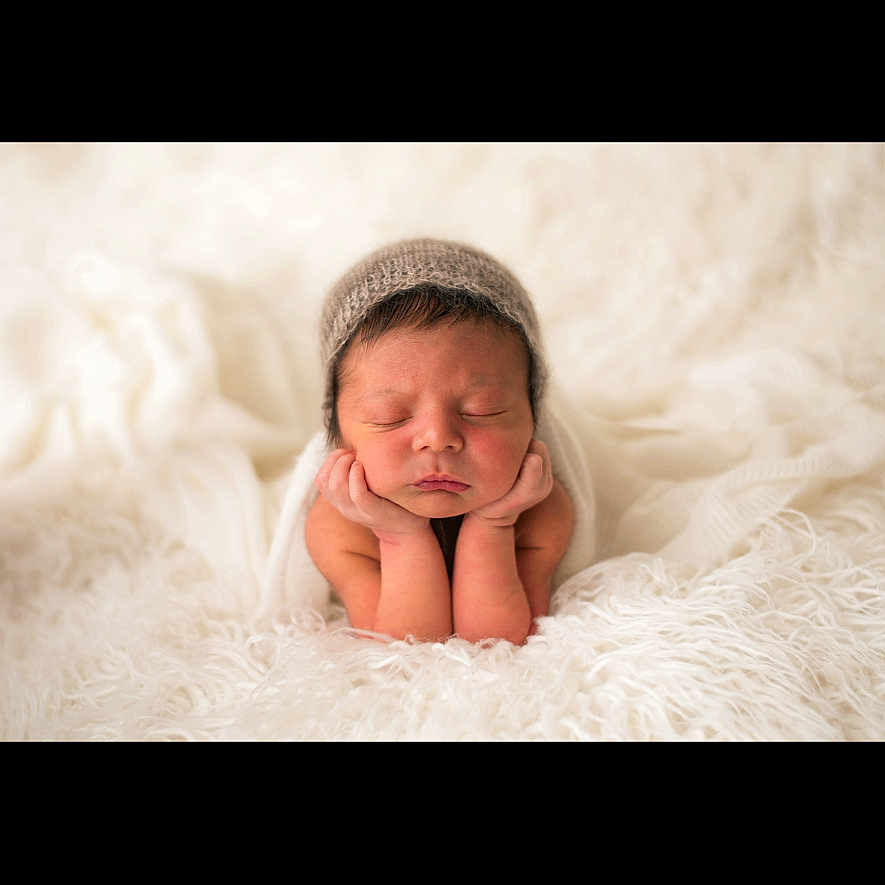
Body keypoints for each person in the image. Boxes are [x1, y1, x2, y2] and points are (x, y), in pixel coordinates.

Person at [305, 238, 574, 644]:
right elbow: (403, 649)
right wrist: (399, 535)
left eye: (483, 410)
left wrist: (494, 523)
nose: (438, 439)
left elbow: (495, 643)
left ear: (532, 421)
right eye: (390, 416)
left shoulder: (540, 508)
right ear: (340, 435)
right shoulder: (340, 524)